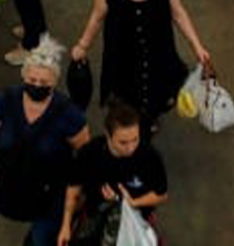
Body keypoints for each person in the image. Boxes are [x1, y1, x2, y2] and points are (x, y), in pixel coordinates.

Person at [71, 0, 209, 134]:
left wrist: (197, 46)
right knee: (125, 102)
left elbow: (179, 14)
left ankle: (149, 119)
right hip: (122, 59)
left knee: (156, 97)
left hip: (158, 56)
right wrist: (83, 45)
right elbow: (96, 17)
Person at [0, 38, 89, 246]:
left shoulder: (69, 115)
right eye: (32, 80)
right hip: (12, 186)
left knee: (41, 239)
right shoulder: (5, 101)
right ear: (24, 75)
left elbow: (85, 156)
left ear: (55, 81)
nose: (37, 86)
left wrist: (73, 203)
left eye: (44, 83)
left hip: (51, 196)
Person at [60, 101, 169, 246]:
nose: (130, 148)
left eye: (135, 139)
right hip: (95, 216)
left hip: (136, 219)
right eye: (123, 142)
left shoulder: (149, 157)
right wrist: (66, 225)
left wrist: (132, 202)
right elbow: (73, 188)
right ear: (107, 134)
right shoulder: (90, 153)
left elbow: (161, 195)